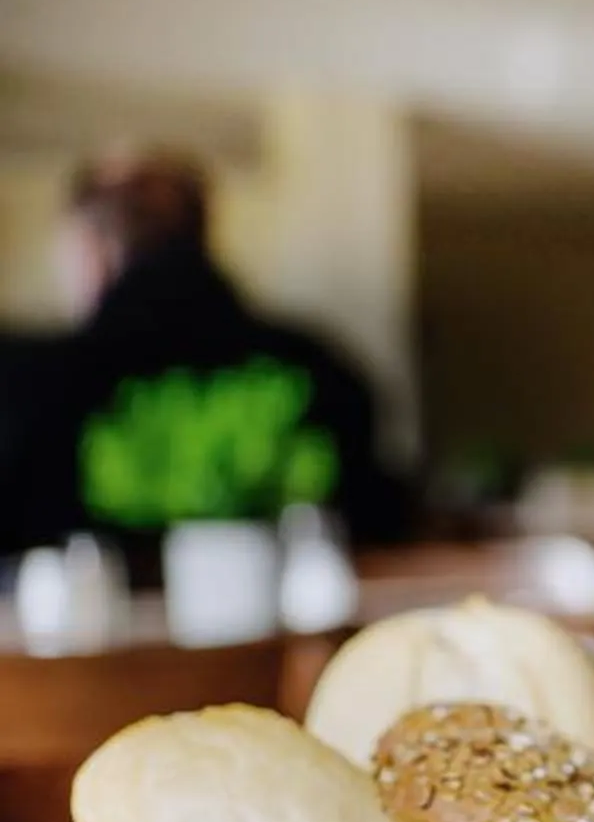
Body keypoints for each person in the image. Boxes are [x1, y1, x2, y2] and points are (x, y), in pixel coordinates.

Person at [0, 150, 405, 554]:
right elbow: (376, 531)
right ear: (204, 234)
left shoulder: (27, 384)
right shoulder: (325, 371)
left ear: (93, 252)